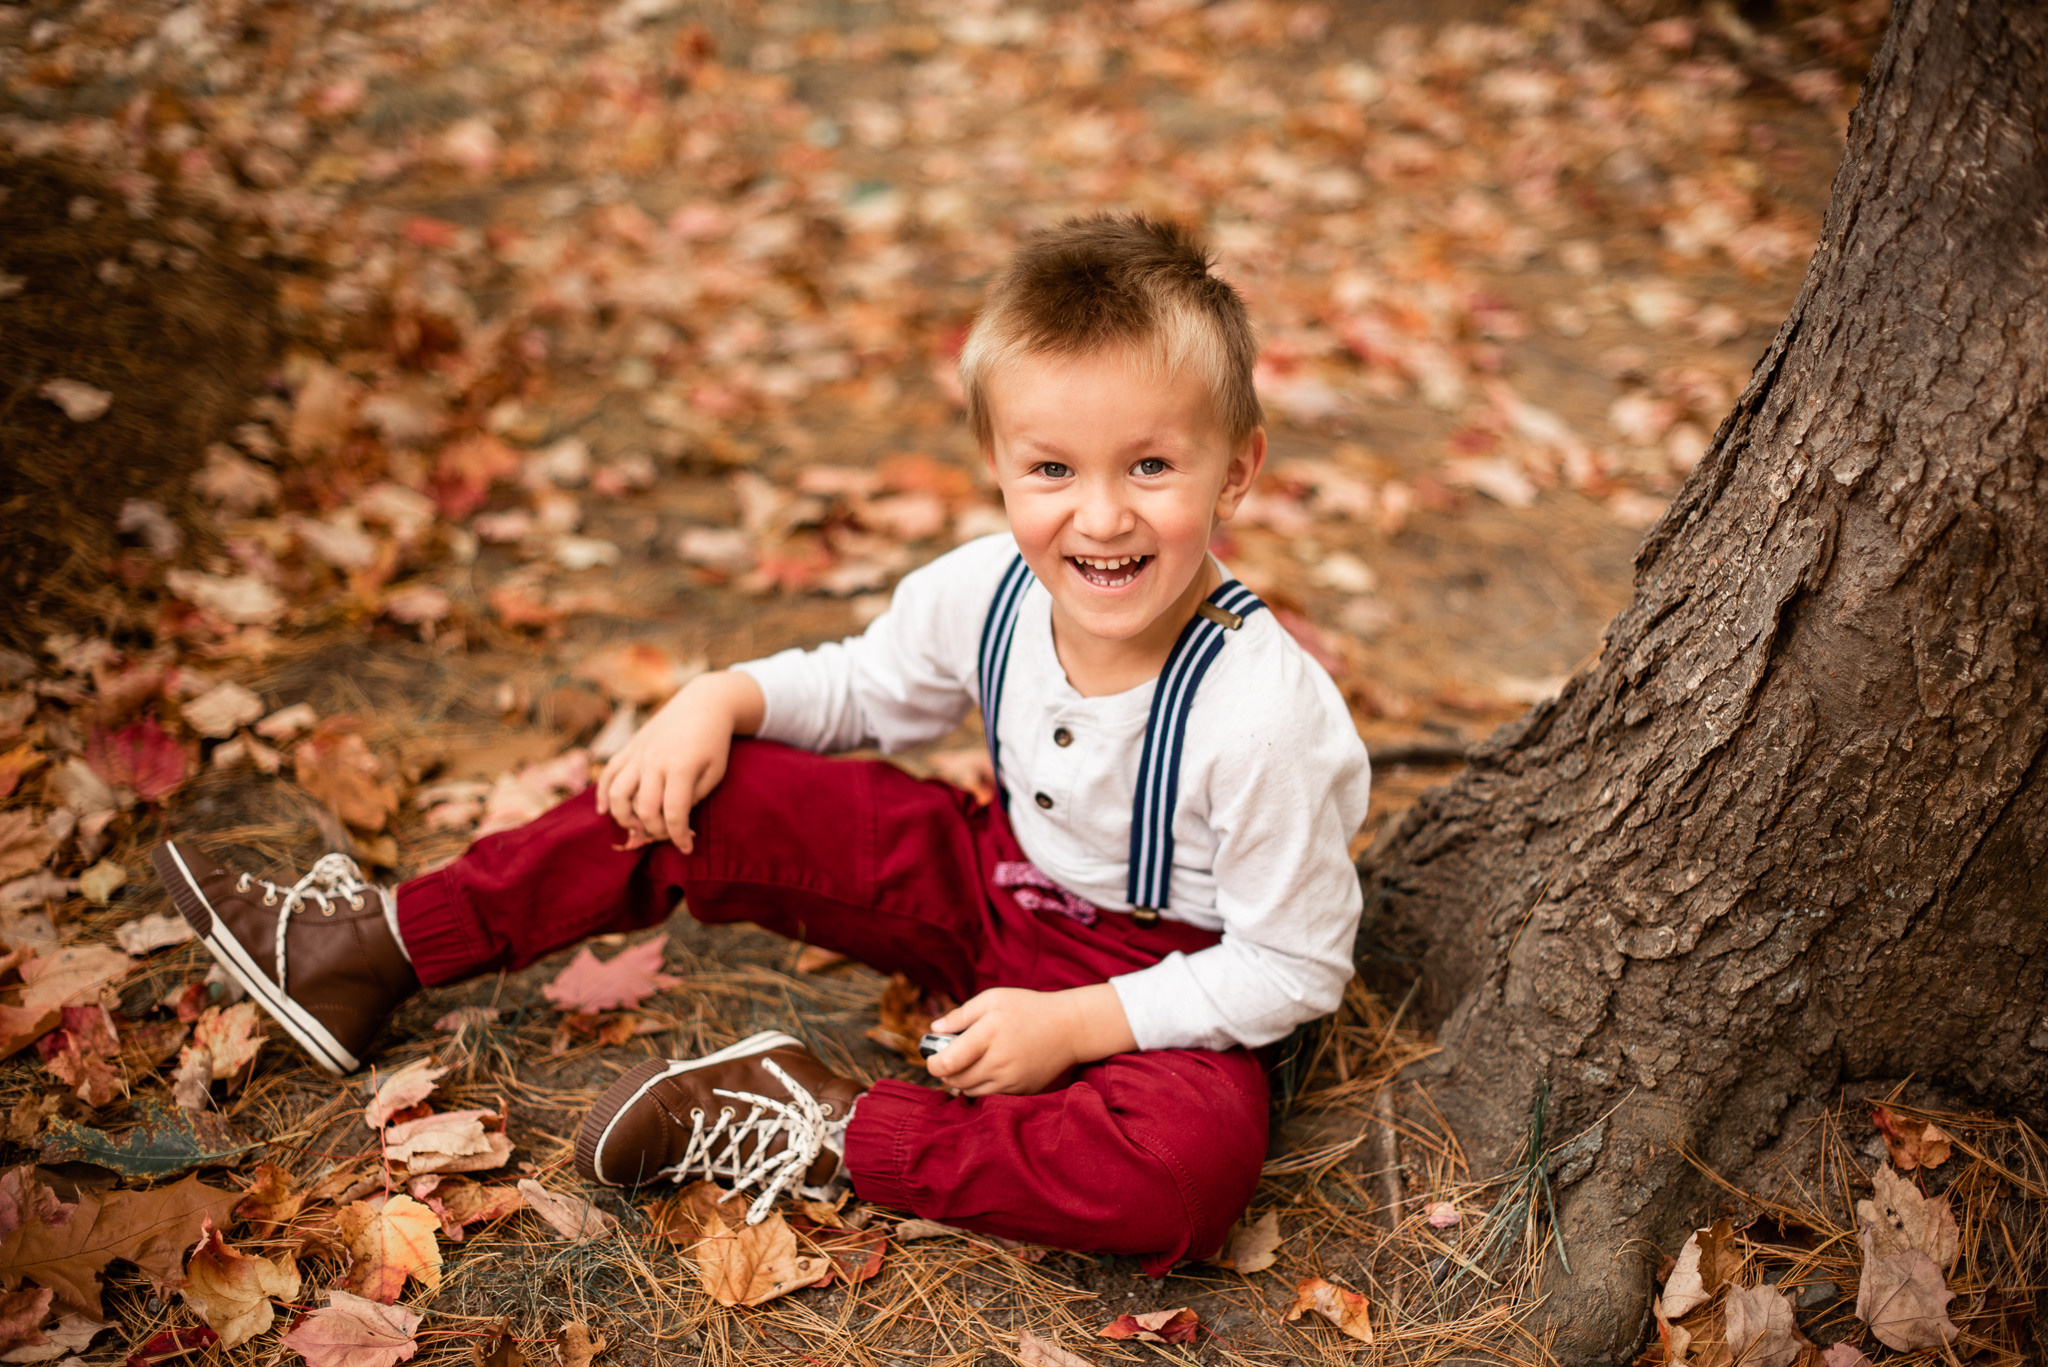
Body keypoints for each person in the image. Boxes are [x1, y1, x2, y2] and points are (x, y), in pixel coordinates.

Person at [151, 213, 1372, 1273]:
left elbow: (1290, 966)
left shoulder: (1259, 712)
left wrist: (1080, 1024)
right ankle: (373, 947)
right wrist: (716, 697)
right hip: (985, 886)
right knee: (712, 788)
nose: (1099, 515)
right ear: (998, 468)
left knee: (1183, 1177)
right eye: (1051, 467)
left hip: (1164, 989)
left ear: (1236, 470)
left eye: (1151, 465)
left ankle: (822, 1119)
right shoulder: (981, 591)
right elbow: (864, 689)